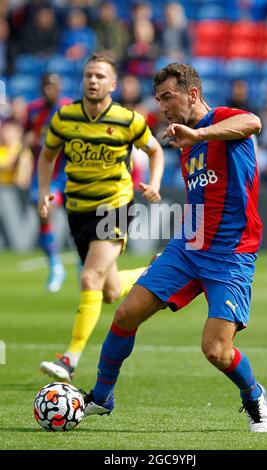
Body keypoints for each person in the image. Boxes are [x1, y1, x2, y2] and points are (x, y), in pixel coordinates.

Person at [81, 63, 267, 433]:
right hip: (189, 248)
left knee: (216, 350)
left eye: (167, 97)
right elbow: (199, 202)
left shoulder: (222, 122)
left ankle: (253, 394)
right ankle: (102, 397)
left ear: (193, 94)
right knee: (126, 315)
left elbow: (254, 123)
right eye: (158, 99)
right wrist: (173, 251)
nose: (163, 106)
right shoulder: (187, 146)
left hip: (231, 255)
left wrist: (200, 134)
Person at [38, 53, 164, 382]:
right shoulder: (64, 118)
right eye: (88, 75)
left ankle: (69, 358)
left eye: (99, 76)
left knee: (89, 278)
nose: (93, 81)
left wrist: (155, 182)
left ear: (113, 84)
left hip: (115, 206)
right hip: (78, 209)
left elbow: (155, 149)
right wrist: (42, 190)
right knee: (108, 291)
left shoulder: (128, 119)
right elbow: (47, 154)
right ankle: (152, 270)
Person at [26, 74, 71, 293]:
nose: (49, 90)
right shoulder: (33, 109)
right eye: (45, 86)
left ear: (59, 87)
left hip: (67, 173)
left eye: (53, 86)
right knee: (44, 211)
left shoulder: (68, 109)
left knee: (75, 217)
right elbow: (28, 136)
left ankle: (83, 261)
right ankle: (55, 264)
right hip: (44, 174)